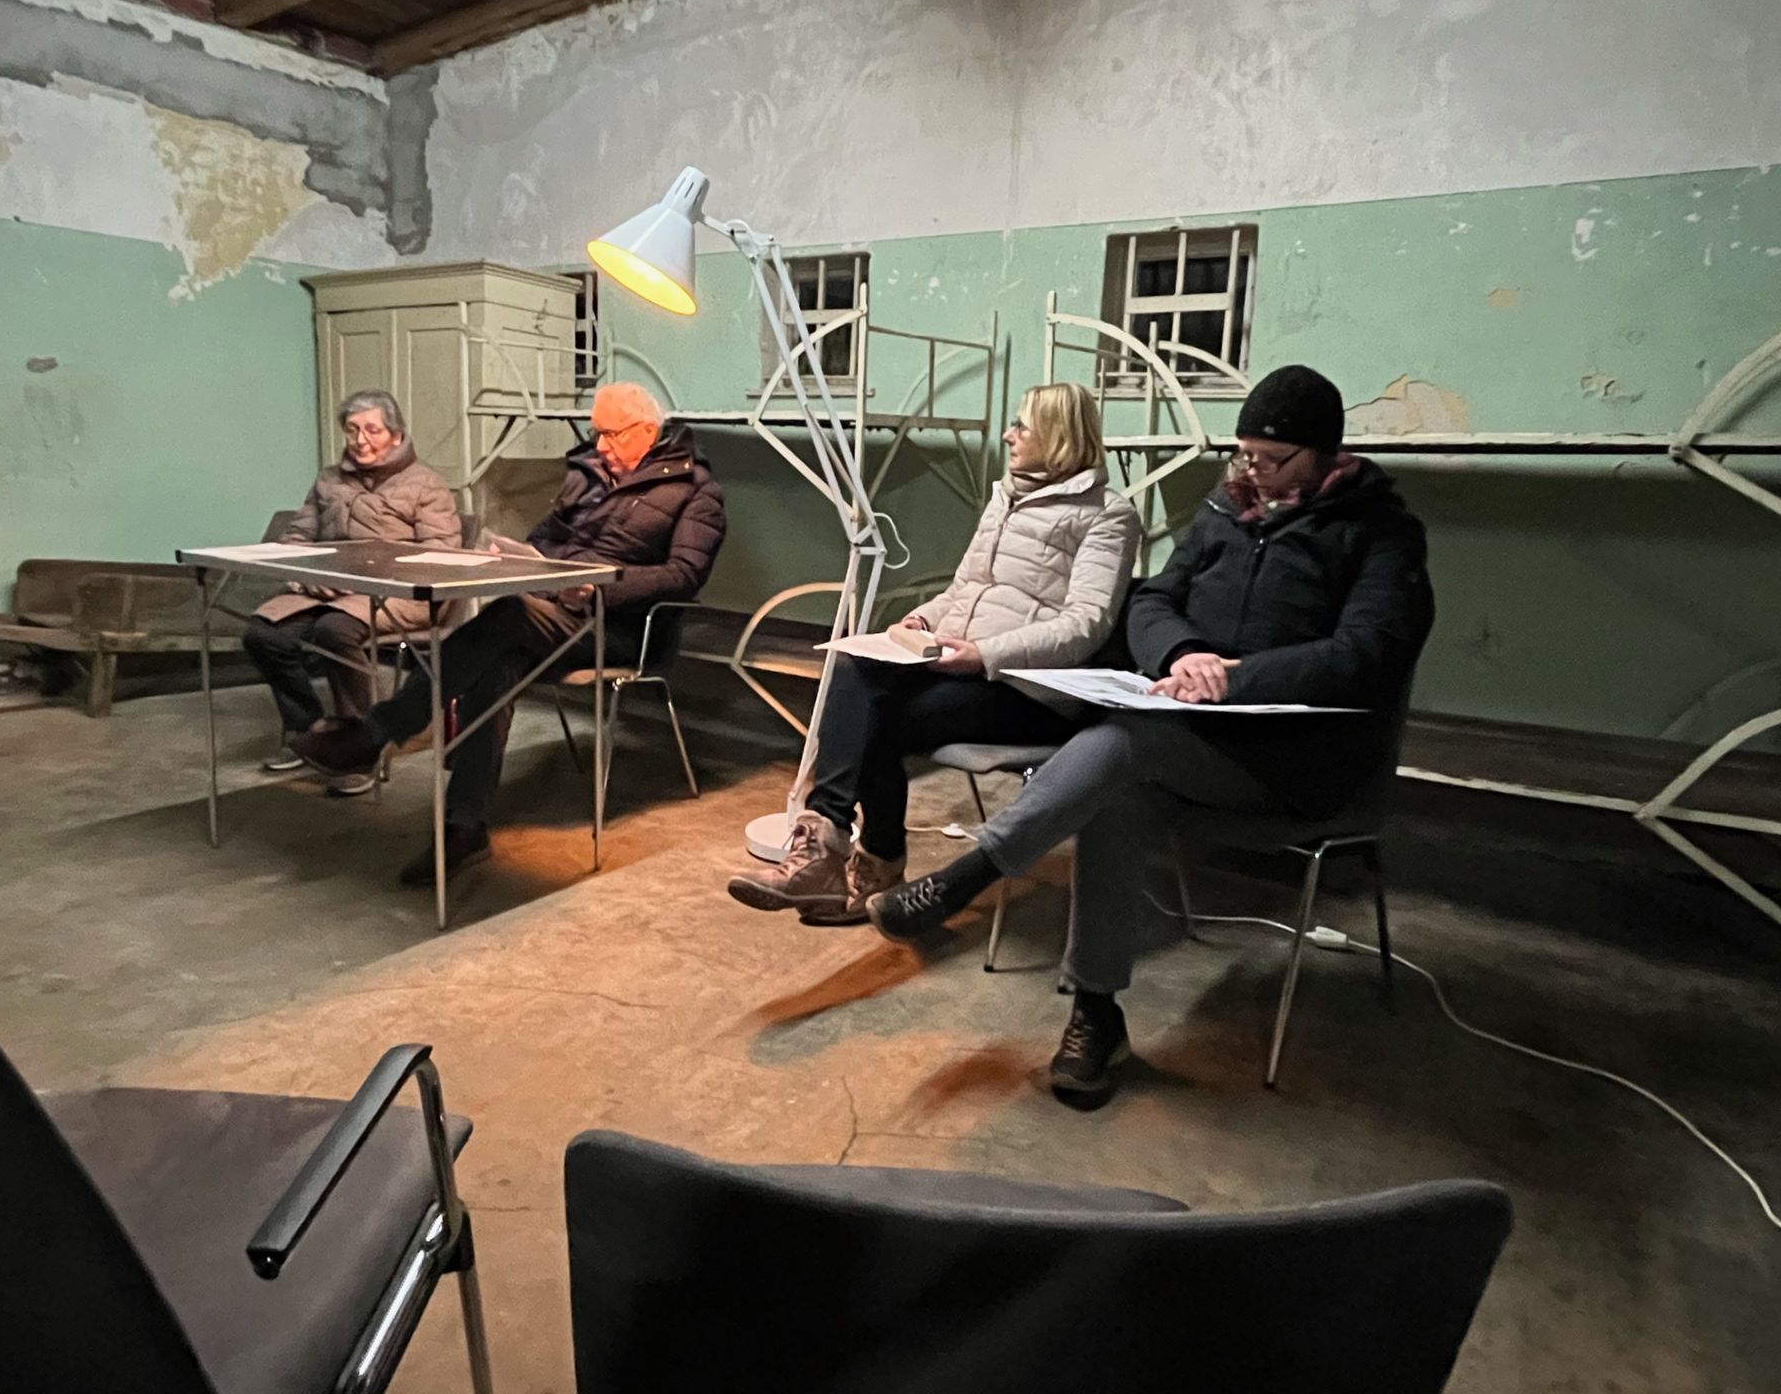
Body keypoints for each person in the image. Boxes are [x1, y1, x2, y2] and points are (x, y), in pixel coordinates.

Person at [864, 365, 1435, 1107]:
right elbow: (1154, 598)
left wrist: (1234, 679)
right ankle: (1096, 1014)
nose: (1254, 473)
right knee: (1117, 790)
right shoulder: (1228, 511)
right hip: (1194, 737)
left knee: (1125, 744)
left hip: (1298, 761)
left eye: (1273, 459)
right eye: (1244, 454)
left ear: (1325, 454)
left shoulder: (1380, 533)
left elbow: (1368, 654)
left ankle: (968, 877)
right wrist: (1182, 655)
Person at [726, 382, 1141, 924]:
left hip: (1030, 691)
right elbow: (963, 589)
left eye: (1023, 425)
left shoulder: (1108, 515)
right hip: (956, 665)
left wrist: (983, 654)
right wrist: (923, 619)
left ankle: (868, 865)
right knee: (854, 667)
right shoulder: (1006, 498)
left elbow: (1085, 624)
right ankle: (826, 840)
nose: (1009, 435)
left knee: (877, 718)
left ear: (1058, 436)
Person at [291, 383, 726, 884]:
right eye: (597, 433)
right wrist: (519, 558)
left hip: (621, 627)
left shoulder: (696, 491)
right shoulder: (588, 474)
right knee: (495, 666)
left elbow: (684, 575)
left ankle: (376, 731)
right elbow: (547, 539)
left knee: (509, 617)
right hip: (555, 613)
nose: (601, 445)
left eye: (611, 434)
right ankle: (464, 826)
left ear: (647, 431)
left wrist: (600, 585)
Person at [244, 390, 461, 795]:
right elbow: (296, 538)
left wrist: (371, 577)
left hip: (399, 593)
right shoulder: (328, 479)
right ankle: (310, 730)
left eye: (372, 430)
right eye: (352, 430)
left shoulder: (425, 484)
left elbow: (441, 556)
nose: (361, 440)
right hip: (325, 589)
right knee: (263, 634)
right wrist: (308, 577)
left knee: (335, 631)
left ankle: (359, 747)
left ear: (396, 435)